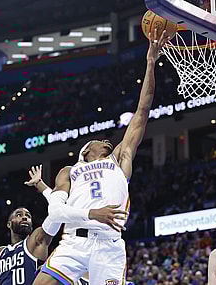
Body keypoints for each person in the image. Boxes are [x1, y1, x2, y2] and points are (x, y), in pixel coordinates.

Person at [33, 28, 170, 285]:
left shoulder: (118, 159)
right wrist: (91, 214)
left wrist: (151, 63)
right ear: (85, 151)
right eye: (99, 141)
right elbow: (56, 209)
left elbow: (142, 110)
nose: (106, 141)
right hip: (75, 242)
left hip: (109, 246)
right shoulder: (69, 171)